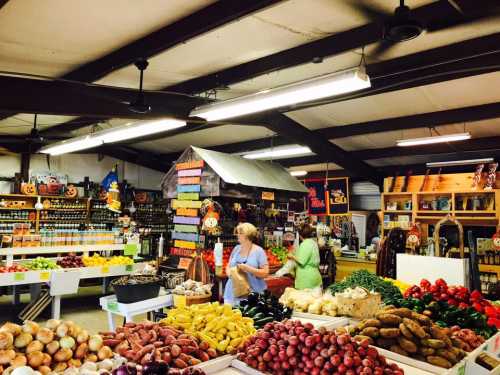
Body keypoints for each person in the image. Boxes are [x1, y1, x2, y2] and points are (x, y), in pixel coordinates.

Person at [223, 222, 269, 305]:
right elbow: (228, 265)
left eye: (240, 233)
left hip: (251, 294)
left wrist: (248, 269)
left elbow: (265, 272)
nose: (237, 235)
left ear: (248, 235)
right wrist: (229, 273)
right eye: (238, 233)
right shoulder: (236, 249)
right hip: (232, 293)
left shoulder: (259, 251)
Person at [288, 224, 322, 290]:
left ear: (300, 235)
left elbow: (301, 261)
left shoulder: (305, 244)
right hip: (315, 275)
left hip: (306, 279)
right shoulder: (313, 243)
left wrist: (292, 256)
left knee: (304, 299)